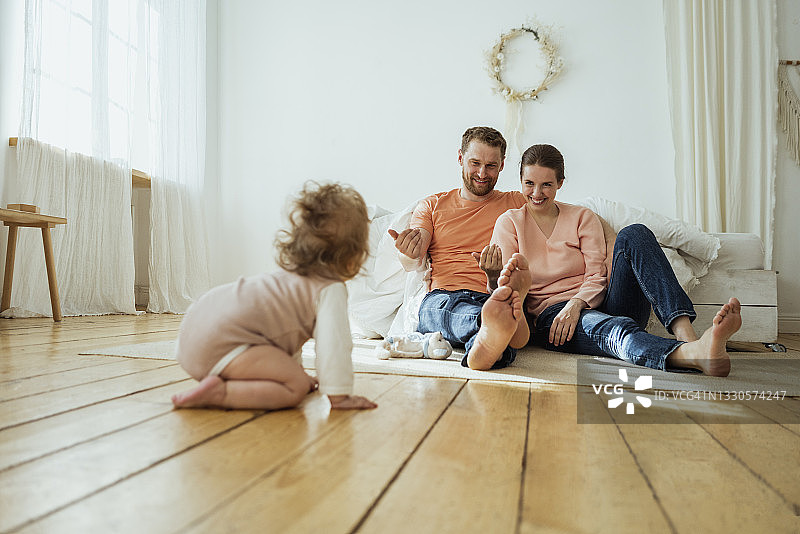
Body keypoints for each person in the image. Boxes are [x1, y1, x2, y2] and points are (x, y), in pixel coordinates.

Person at [485, 144, 741, 376]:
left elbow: (598, 275)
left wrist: (577, 304)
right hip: (553, 319)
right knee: (615, 330)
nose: (537, 193)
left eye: (547, 185)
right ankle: (691, 355)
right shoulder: (509, 223)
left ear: (561, 182)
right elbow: (511, 286)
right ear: (520, 181)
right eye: (529, 183)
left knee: (635, 233)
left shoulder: (582, 217)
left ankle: (688, 337)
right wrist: (495, 279)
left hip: (600, 303)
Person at [171, 181, 378, 410]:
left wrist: (292, 370)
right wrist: (339, 395)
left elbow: (283, 338)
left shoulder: (287, 279)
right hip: (219, 347)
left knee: (294, 376)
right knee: (294, 387)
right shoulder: (330, 289)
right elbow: (334, 345)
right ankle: (221, 393)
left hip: (192, 335)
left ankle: (225, 380)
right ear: (354, 255)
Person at [388, 126, 533, 371]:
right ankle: (492, 334)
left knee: (496, 311)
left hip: (492, 295)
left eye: (490, 166)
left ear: (502, 165)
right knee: (454, 311)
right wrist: (409, 251)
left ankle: (489, 341)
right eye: (475, 163)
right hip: (443, 296)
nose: (481, 173)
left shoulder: (517, 202)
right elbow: (415, 253)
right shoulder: (432, 205)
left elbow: (564, 215)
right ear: (460, 158)